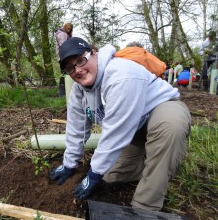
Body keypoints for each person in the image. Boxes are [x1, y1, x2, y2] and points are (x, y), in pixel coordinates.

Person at [49, 37, 191, 211]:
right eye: (70, 68)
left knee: (171, 127)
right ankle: (156, 165)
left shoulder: (120, 74)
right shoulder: (79, 92)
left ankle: (144, 208)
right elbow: (75, 130)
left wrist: (93, 175)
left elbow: (115, 133)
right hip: (133, 129)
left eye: (80, 60)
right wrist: (69, 164)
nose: (77, 70)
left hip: (160, 111)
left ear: (94, 53)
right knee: (110, 175)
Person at [55, 22, 73, 97]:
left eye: (70, 29)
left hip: (63, 57)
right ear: (65, 27)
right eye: (68, 28)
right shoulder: (62, 34)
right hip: (64, 57)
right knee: (65, 74)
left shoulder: (63, 34)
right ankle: (62, 93)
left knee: (65, 73)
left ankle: (64, 92)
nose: (69, 30)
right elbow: (63, 46)